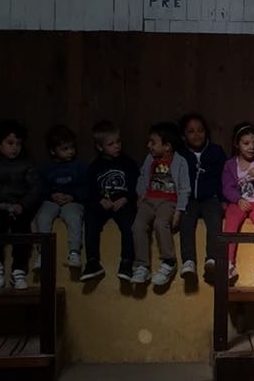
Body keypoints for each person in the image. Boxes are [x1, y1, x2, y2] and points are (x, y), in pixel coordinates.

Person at [0, 119, 40, 289]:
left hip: (19, 208)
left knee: (23, 232)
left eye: (18, 143)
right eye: (10, 143)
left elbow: (35, 189)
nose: (15, 147)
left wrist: (23, 205)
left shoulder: (27, 164)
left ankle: (18, 270)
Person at [131, 122, 190, 286]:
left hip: (168, 201)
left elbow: (185, 188)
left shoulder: (180, 162)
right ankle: (142, 266)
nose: (149, 145)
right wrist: (140, 193)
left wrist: (179, 210)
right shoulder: (150, 159)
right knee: (137, 225)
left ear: (167, 146)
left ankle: (169, 261)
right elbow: (142, 177)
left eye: (153, 142)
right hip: (149, 200)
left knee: (160, 223)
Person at [81, 120, 138, 283]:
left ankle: (126, 262)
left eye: (118, 142)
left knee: (130, 224)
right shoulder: (95, 166)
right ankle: (92, 262)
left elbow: (136, 185)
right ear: (100, 147)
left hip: (123, 203)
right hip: (103, 203)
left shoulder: (128, 163)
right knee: (90, 219)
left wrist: (126, 198)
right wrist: (100, 200)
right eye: (111, 144)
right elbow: (90, 189)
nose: (117, 146)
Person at [221, 122, 254, 285]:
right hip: (239, 201)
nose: (251, 147)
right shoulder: (230, 164)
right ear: (237, 144)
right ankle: (228, 263)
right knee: (230, 222)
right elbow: (227, 187)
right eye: (246, 143)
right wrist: (238, 199)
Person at [178, 113, 227, 283]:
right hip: (189, 199)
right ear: (183, 136)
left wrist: (223, 199)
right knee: (185, 221)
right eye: (191, 131)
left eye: (200, 130)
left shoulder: (216, 151)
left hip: (210, 198)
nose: (197, 135)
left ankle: (212, 258)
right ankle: (188, 261)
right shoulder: (181, 155)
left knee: (215, 219)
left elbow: (224, 177)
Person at [33, 124, 89, 271]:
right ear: (53, 151)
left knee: (74, 217)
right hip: (51, 200)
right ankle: (42, 254)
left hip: (72, 201)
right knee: (43, 217)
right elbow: (39, 188)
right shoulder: (46, 168)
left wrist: (73, 196)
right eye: (65, 149)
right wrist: (51, 195)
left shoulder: (80, 167)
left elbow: (87, 188)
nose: (70, 151)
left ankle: (74, 253)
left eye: (72, 147)